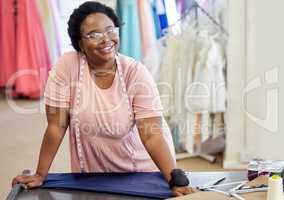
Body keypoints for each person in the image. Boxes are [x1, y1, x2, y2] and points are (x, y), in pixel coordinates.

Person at [12, 1, 195, 196]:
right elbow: (56, 126)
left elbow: (152, 134)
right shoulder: (67, 67)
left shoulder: (135, 73)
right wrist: (41, 174)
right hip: (93, 173)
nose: (106, 39)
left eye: (110, 30)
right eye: (94, 34)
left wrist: (173, 179)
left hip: (141, 171)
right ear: (80, 43)